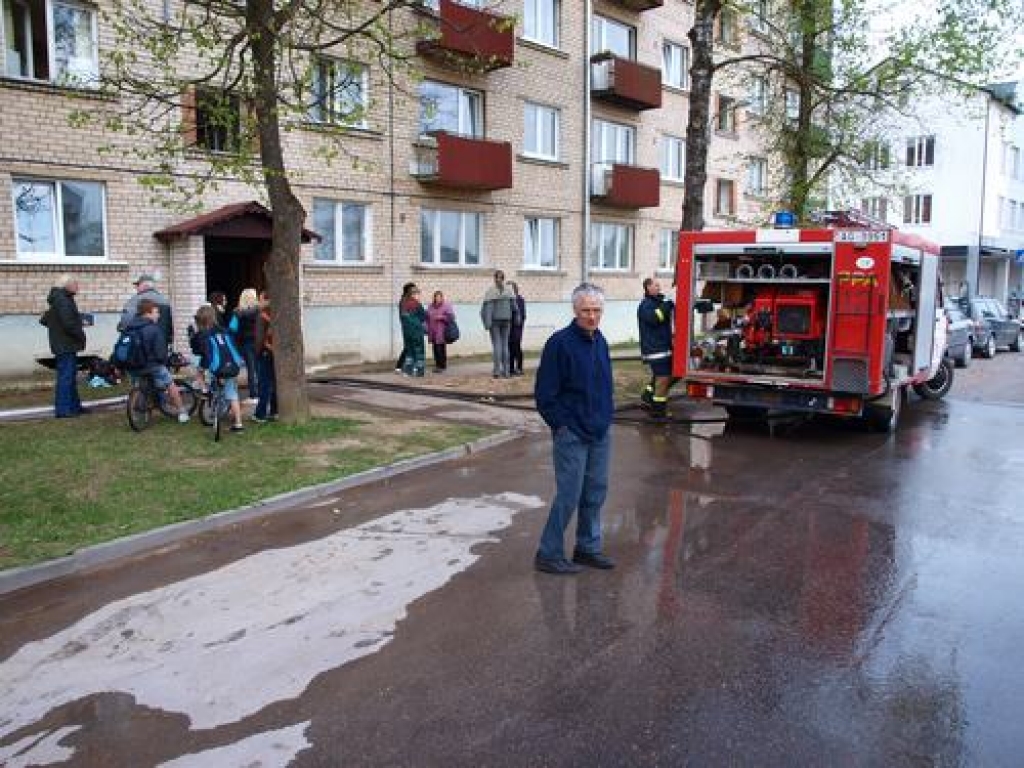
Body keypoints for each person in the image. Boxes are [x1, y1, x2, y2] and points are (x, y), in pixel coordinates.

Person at [533, 283, 616, 575]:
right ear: (575, 310)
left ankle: (587, 548)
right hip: (573, 434)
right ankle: (548, 553)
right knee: (569, 494)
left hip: (600, 431)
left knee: (595, 493)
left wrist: (606, 415)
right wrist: (562, 426)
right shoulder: (560, 343)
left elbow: (605, 385)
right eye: (586, 311)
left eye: (596, 311)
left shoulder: (600, 341)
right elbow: (545, 395)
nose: (592, 317)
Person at [127, 298, 189, 422]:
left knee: (138, 385)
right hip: (151, 365)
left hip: (133, 365)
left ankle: (133, 412)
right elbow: (160, 352)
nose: (159, 315)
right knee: (170, 383)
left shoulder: (130, 326)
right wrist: (166, 361)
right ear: (147, 313)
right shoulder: (153, 329)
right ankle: (182, 412)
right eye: (156, 312)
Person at [194, 305, 245, 432]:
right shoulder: (224, 330)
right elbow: (233, 337)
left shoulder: (203, 334)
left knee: (199, 372)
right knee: (232, 394)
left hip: (215, 366)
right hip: (231, 366)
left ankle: (204, 390)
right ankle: (238, 424)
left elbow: (199, 352)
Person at [43, 274, 89, 418]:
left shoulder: (61, 299)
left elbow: (47, 320)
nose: (77, 286)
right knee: (66, 377)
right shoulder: (62, 300)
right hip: (65, 344)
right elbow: (68, 324)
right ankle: (63, 410)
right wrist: (81, 334)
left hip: (64, 343)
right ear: (66, 285)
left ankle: (74, 407)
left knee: (69, 376)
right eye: (75, 283)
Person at [637, 277, 676, 419]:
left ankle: (648, 396)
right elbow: (655, 319)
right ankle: (658, 411)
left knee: (672, 374)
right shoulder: (646, 305)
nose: (659, 287)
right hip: (656, 350)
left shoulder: (656, 302)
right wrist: (668, 304)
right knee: (663, 378)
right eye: (656, 285)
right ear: (648, 287)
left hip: (663, 349)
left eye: (659, 285)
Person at [119, 273, 173, 347]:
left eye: (138, 285)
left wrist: (122, 329)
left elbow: (126, 321)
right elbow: (169, 325)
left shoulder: (136, 300)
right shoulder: (164, 300)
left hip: (140, 345)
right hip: (161, 345)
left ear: (144, 286)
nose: (136, 288)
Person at [229, 288, 260, 401]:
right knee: (259, 368)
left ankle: (253, 394)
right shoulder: (259, 310)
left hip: (245, 343)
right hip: (258, 342)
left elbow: (232, 329)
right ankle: (260, 392)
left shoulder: (237, 312)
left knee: (251, 369)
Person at [252, 290, 278, 423]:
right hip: (276, 353)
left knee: (264, 384)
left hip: (265, 352)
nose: (258, 302)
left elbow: (259, 338)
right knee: (274, 383)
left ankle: (260, 414)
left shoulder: (262, 316)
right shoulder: (277, 314)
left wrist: (256, 353)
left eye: (260, 299)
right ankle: (275, 411)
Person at [399, 286, 428, 377]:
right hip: (416, 332)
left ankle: (408, 371)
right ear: (413, 294)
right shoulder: (417, 304)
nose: (418, 295)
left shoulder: (402, 303)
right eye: (417, 294)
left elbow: (403, 318)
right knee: (419, 351)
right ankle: (419, 371)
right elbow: (423, 317)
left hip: (406, 332)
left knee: (409, 352)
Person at [425, 290, 455, 373]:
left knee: (440, 348)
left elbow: (451, 317)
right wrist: (425, 326)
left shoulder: (446, 306)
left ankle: (441, 365)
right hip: (432, 331)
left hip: (442, 331)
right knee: (435, 348)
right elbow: (426, 317)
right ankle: (438, 365)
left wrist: (442, 317)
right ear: (434, 298)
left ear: (442, 298)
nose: (437, 299)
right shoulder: (430, 306)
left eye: (439, 297)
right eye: (436, 297)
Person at [394, 282, 417, 374]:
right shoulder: (404, 301)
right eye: (413, 290)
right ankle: (400, 366)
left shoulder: (411, 300)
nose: (414, 291)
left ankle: (403, 366)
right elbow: (405, 315)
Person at [508, 281, 526, 376]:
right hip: (508, 327)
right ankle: (510, 369)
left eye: (511, 288)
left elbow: (523, 315)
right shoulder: (507, 299)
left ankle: (519, 367)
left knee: (516, 347)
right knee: (509, 348)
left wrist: (518, 322)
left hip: (517, 327)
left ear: (515, 289)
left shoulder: (520, 300)